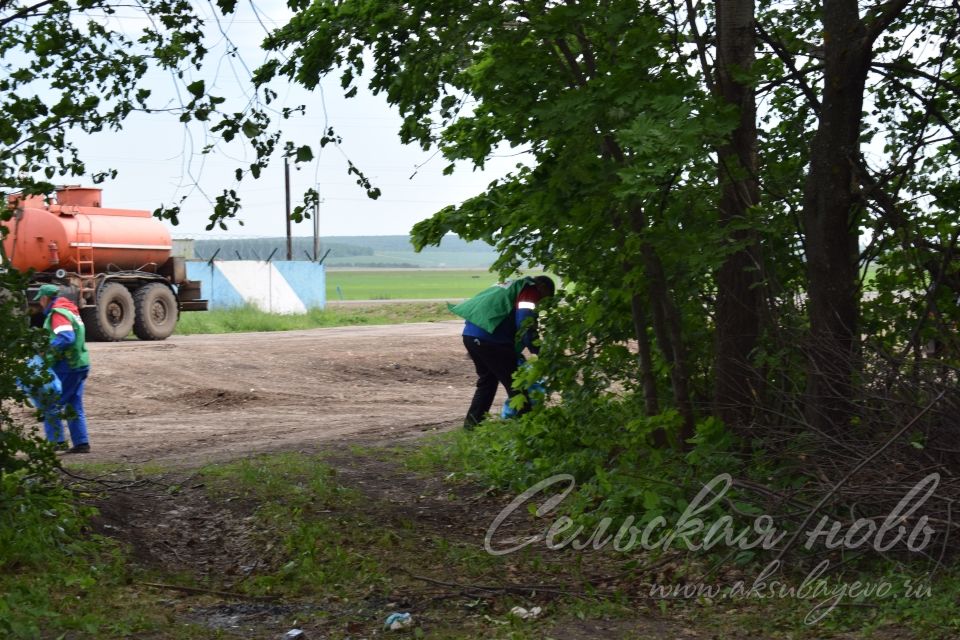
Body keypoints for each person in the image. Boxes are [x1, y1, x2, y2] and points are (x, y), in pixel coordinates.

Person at [450, 275, 555, 429]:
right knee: (516, 387)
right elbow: (525, 324)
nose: (542, 304)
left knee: (488, 382)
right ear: (543, 288)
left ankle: (471, 426)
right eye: (545, 299)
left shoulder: (512, 285)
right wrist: (540, 352)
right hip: (491, 340)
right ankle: (530, 427)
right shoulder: (531, 291)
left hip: (471, 335)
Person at [34, 283, 91, 453]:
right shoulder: (70, 310)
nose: (40, 304)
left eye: (41, 300)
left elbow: (66, 337)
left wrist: (47, 350)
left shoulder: (58, 313)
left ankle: (56, 442)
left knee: (51, 403)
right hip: (81, 362)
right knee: (74, 404)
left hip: (68, 365)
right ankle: (82, 443)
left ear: (45, 298)